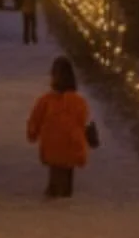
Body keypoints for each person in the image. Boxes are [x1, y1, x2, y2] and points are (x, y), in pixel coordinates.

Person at [26, 56, 92, 198]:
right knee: (67, 169)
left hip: (52, 146)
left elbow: (35, 119)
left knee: (56, 170)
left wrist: (32, 134)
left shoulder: (46, 101)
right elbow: (83, 122)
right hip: (72, 145)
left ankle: (54, 193)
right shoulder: (78, 102)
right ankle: (65, 193)